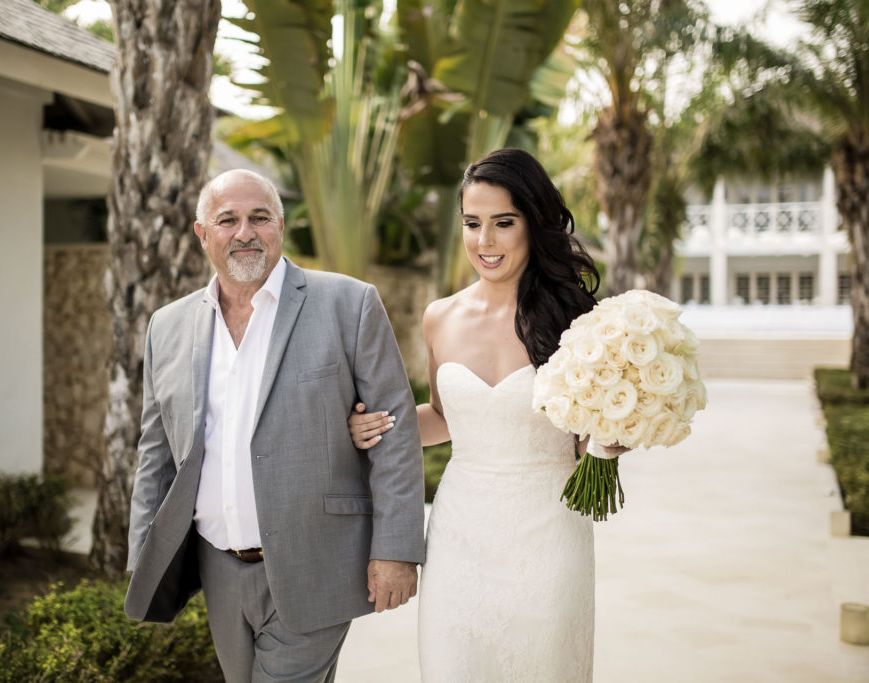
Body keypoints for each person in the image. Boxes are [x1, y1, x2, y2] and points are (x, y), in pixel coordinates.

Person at [124, 169, 426, 683]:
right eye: (228, 220)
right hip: (218, 565)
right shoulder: (167, 326)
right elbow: (156, 449)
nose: (245, 232)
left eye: (259, 217)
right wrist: (143, 549)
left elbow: (394, 434)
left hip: (318, 560)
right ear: (203, 234)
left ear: (280, 225)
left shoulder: (349, 304)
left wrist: (396, 550)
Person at [348, 148, 627, 681]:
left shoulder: (579, 321)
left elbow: (591, 435)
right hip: (460, 531)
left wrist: (612, 442)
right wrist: (379, 427)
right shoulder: (439, 317)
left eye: (503, 223)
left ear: (534, 224)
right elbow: (444, 416)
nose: (485, 242)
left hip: (550, 528)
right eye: (472, 224)